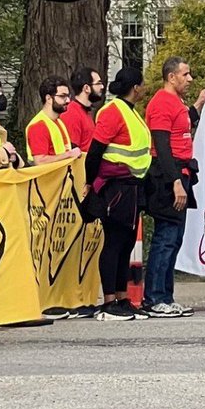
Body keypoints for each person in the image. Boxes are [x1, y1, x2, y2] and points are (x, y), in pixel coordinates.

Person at [142, 57, 205, 317]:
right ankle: (154, 297)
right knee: (165, 238)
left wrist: (198, 105)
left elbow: (181, 126)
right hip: (167, 176)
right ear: (172, 77)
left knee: (175, 238)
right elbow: (162, 145)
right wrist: (175, 182)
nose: (189, 79)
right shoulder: (160, 103)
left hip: (181, 172)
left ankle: (166, 296)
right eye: (185, 74)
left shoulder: (176, 103)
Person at [85, 66, 152, 321]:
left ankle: (123, 297)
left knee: (125, 244)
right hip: (115, 186)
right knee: (113, 242)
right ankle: (110, 299)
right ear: (135, 87)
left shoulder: (130, 112)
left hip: (131, 185)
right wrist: (90, 184)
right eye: (143, 84)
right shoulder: (113, 112)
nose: (145, 88)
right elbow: (95, 152)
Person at [24, 77, 82, 165]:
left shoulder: (58, 121)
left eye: (68, 96)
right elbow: (39, 161)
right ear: (48, 98)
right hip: (47, 178)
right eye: (63, 96)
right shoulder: (38, 126)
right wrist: (69, 154)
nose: (68, 100)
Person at [61, 67, 104, 153]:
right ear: (86, 88)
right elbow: (72, 153)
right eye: (98, 83)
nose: (102, 86)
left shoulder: (85, 112)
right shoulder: (71, 114)